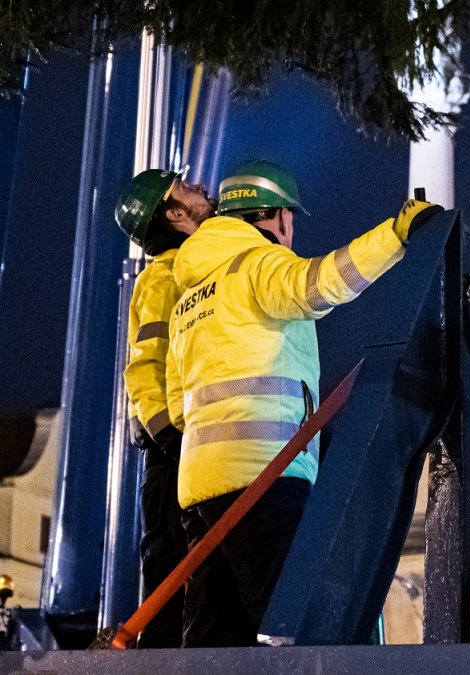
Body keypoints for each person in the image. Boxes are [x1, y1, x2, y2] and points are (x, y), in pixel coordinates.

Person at [164, 159, 441, 647]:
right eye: (290, 218)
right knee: (293, 627)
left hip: (198, 488)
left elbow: (176, 402)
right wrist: (396, 235)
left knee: (215, 636)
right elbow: (318, 284)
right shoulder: (254, 264)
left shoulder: (190, 296)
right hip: (263, 478)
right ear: (276, 217)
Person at [114, 167, 217, 647]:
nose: (200, 189)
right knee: (171, 569)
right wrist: (169, 437)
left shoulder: (193, 268)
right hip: (172, 449)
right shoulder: (164, 277)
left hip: (188, 444)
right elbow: (144, 368)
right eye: (186, 189)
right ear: (174, 214)